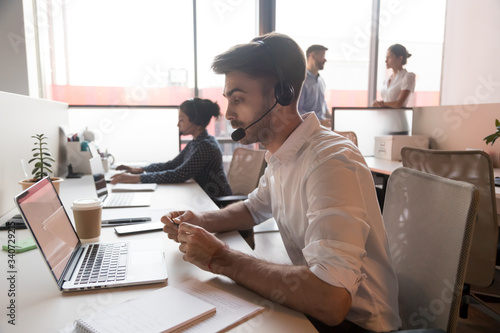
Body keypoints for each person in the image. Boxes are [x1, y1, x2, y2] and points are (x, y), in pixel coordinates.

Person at [161, 33, 401, 332]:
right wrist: (200, 220)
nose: (229, 113)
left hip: (358, 323)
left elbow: (331, 299)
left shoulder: (330, 162)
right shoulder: (281, 155)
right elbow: (253, 209)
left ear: (282, 95)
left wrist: (219, 258)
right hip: (309, 309)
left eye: (238, 99)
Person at [110, 98, 232, 199]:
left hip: (215, 202)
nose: (178, 124)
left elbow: (179, 174)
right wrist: (140, 169)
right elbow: (172, 165)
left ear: (197, 121)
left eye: (181, 119)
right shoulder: (196, 143)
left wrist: (136, 178)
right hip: (201, 196)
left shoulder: (205, 146)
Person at [373, 43, 415, 108]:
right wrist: (380, 103)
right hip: (385, 116)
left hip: (398, 117)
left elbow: (399, 104)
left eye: (389, 57)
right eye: (386, 58)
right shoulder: (387, 79)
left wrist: (381, 103)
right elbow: (387, 101)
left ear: (400, 59)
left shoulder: (407, 77)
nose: (386, 61)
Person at [298, 44, 331, 127]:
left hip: (321, 127)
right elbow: (298, 110)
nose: (325, 60)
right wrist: (319, 122)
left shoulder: (321, 80)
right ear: (312, 56)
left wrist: (332, 118)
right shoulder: (301, 81)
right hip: (308, 128)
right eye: (322, 56)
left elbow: (323, 104)